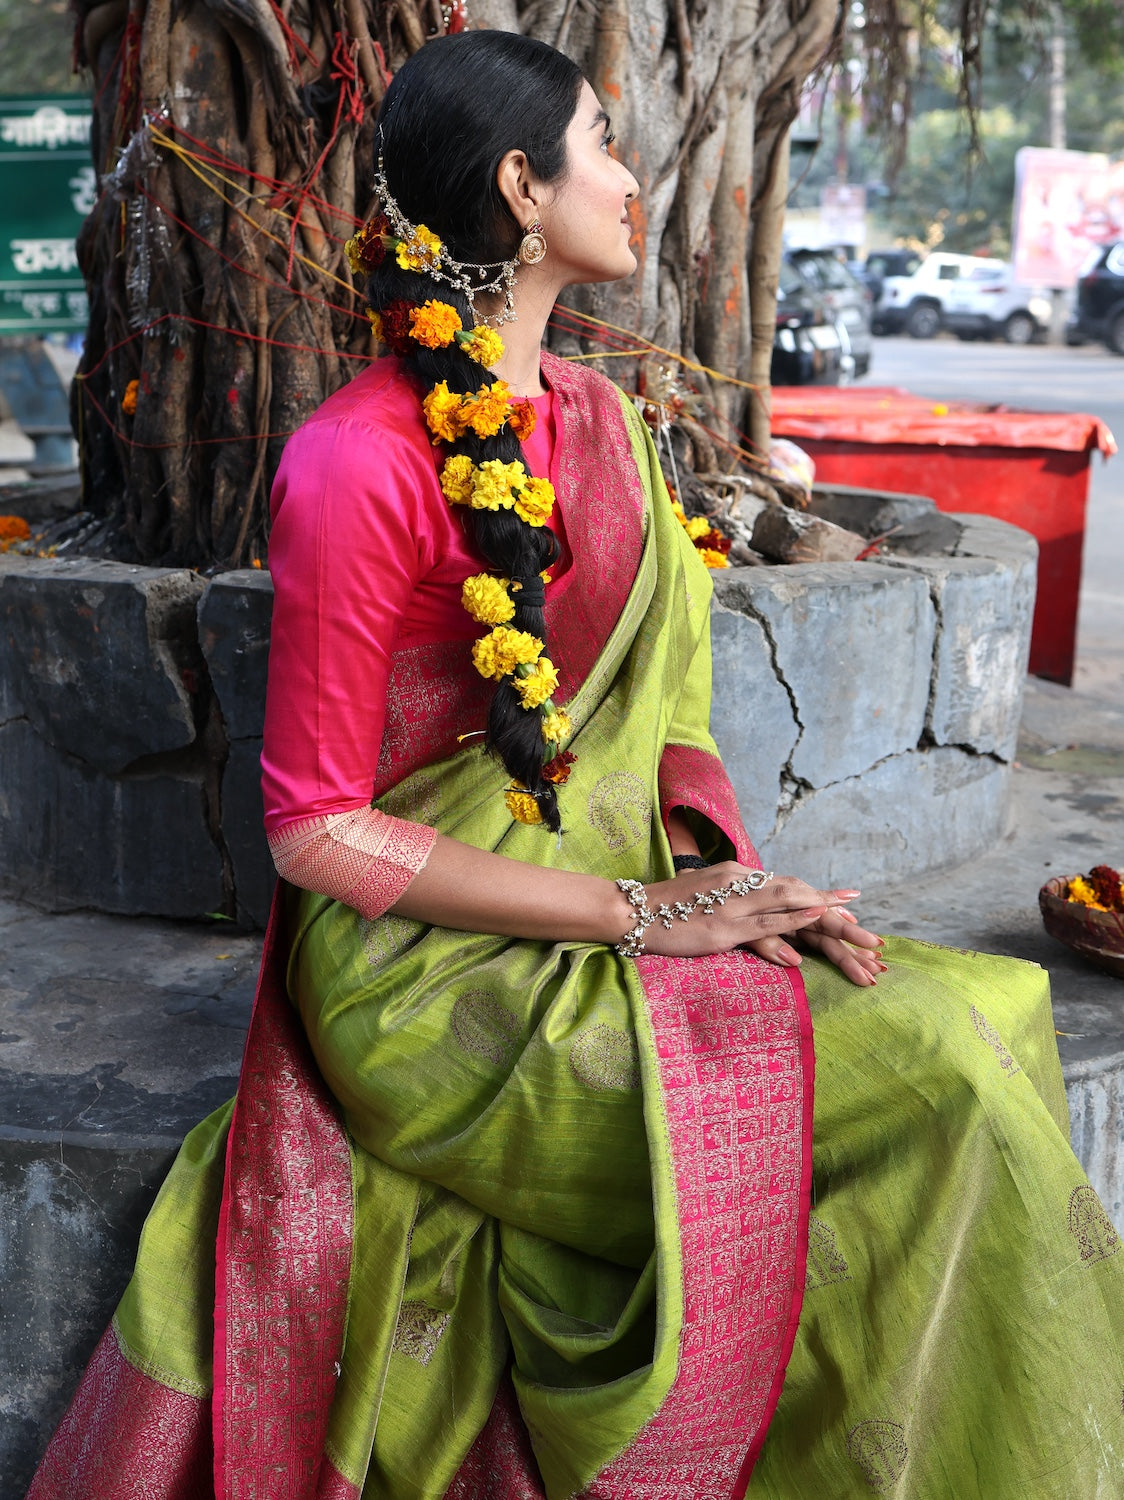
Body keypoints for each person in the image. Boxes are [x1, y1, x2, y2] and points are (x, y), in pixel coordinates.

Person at [30, 29, 1124, 1500]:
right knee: (942, 1075)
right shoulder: (358, 462)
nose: (633, 177)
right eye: (605, 142)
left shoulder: (601, 423)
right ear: (522, 189)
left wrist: (725, 887)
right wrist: (639, 919)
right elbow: (315, 831)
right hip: (429, 984)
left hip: (629, 906)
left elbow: (669, 721)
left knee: (991, 1008)